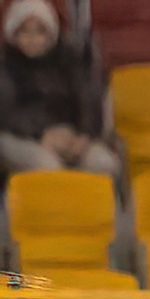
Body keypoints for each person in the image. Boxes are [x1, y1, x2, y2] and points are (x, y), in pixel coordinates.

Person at [0, 0, 119, 176]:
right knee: (50, 168)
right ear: (13, 34)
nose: (32, 39)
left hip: (70, 135)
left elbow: (87, 99)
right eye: (24, 31)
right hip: (22, 136)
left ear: (51, 33)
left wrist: (84, 135)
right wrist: (43, 135)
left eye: (40, 32)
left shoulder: (70, 59)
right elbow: (8, 114)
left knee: (104, 164)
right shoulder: (5, 65)